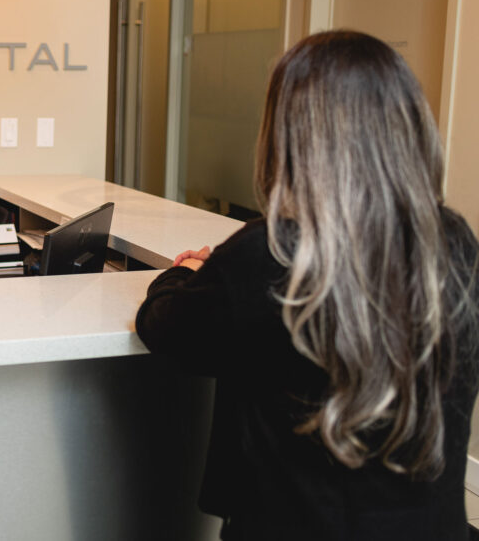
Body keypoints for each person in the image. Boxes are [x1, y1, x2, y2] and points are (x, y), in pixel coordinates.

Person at [136, 31, 479, 540]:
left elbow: (165, 330)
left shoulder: (270, 253)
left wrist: (182, 276)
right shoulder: (454, 242)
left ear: (290, 136)